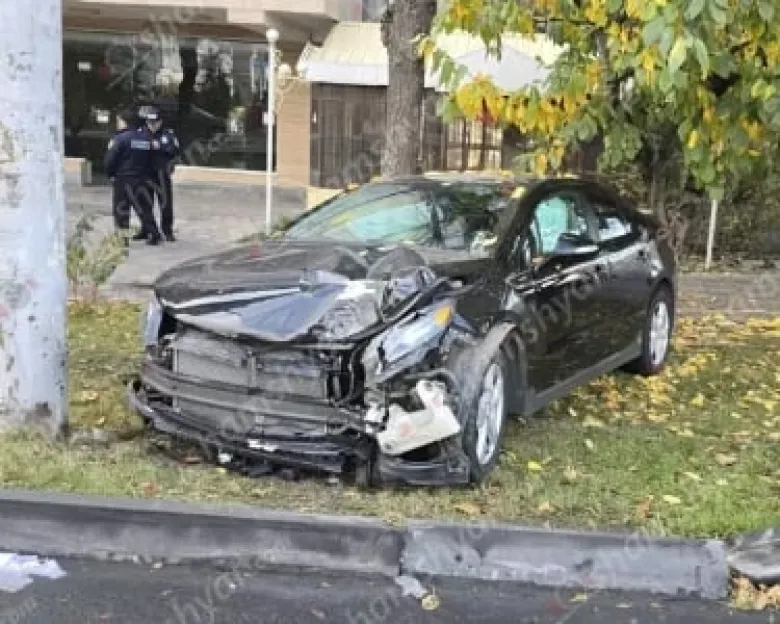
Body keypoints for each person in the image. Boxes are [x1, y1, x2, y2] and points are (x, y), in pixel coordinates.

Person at [104, 108, 162, 246]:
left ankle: (122, 239)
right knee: (144, 208)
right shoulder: (146, 138)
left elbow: (110, 160)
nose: (117, 124)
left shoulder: (120, 138)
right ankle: (154, 234)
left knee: (122, 210)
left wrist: (111, 174)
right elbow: (153, 159)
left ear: (124, 122)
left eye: (119, 121)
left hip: (123, 180)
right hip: (142, 179)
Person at [139, 104, 180, 242]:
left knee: (165, 203)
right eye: (149, 122)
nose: (152, 125)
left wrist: (160, 146)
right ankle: (146, 229)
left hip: (162, 174)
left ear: (160, 121)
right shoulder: (141, 133)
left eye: (154, 122)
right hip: (145, 173)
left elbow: (174, 149)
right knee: (145, 203)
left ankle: (167, 231)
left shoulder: (168, 134)